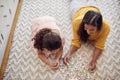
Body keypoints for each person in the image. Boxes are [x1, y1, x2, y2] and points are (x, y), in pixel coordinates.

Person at [63, 0, 110, 71]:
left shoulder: (106, 27)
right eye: (85, 28)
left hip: (93, 8)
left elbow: (99, 45)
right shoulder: (77, 22)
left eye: (92, 30)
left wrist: (93, 60)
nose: (88, 32)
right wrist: (69, 54)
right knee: (74, 1)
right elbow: (76, 41)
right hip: (77, 11)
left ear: (99, 27)